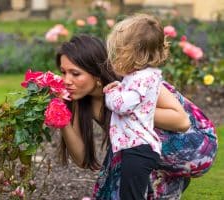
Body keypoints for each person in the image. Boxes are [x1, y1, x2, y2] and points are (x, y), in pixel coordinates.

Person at [55, 33, 217, 199]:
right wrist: (61, 117)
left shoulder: (134, 79)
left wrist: (123, 108)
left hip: (196, 145)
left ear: (96, 73)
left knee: (124, 157)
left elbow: (181, 121)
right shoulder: (79, 100)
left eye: (75, 74)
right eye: (63, 72)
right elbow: (81, 158)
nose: (66, 80)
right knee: (118, 169)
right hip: (147, 152)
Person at [101, 14, 172, 199]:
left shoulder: (142, 78)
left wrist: (111, 93)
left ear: (134, 52)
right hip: (137, 149)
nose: (116, 57)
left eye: (119, 52)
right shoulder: (141, 76)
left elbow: (121, 105)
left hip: (139, 150)